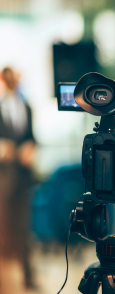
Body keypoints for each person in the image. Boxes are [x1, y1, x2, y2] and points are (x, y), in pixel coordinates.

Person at [0, 67, 36, 289]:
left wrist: (31, 147)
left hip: (23, 177)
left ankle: (28, 276)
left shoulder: (27, 107)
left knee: (24, 228)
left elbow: (31, 136)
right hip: (3, 177)